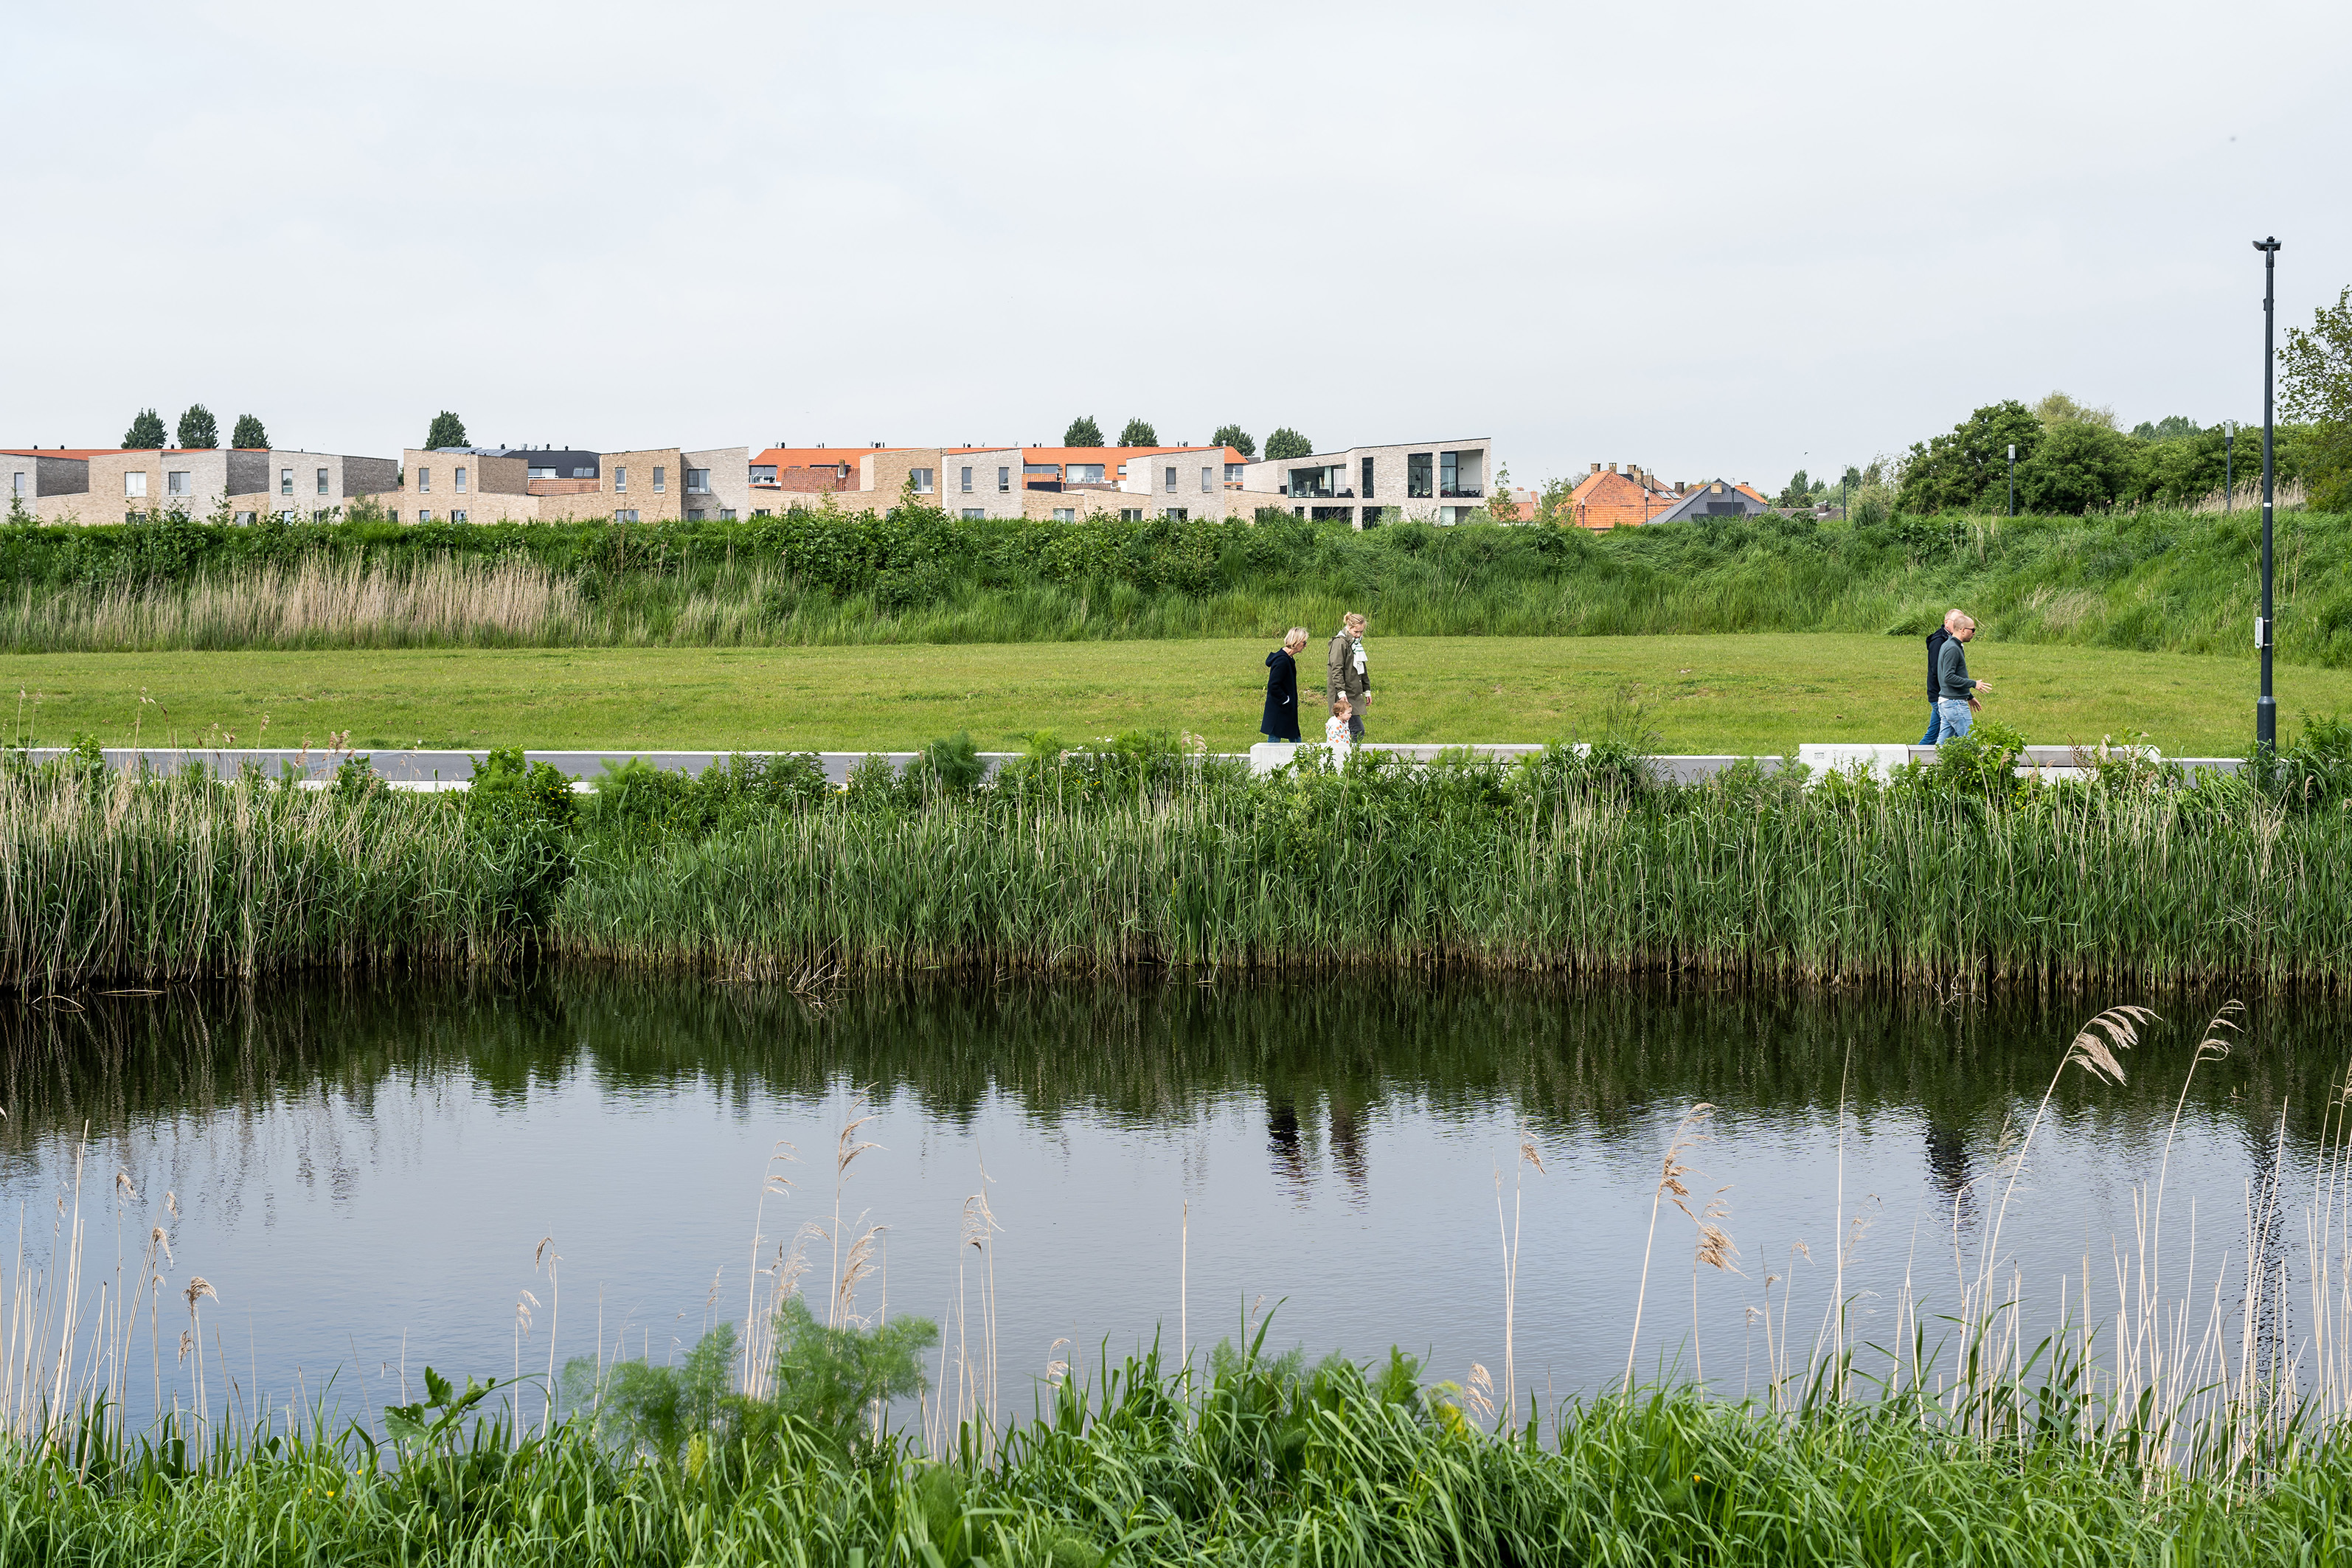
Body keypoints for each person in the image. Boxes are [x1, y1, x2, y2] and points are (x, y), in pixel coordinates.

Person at [1935, 613, 1991, 741]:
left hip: (1948, 702)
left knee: (1943, 746)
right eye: (1973, 630)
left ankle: (1933, 761)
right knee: (1971, 742)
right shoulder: (1952, 648)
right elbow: (1948, 677)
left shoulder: (1950, 645)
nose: (1974, 633)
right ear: (1963, 630)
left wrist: (1969, 696)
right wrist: (1973, 684)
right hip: (1955, 704)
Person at [1327, 612, 1370, 740]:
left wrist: (1366, 690)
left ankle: (1348, 755)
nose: (1359, 635)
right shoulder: (1340, 643)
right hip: (1343, 694)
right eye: (1356, 631)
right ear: (1349, 627)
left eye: (1361, 632)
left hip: (1353, 692)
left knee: (1348, 730)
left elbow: (1362, 668)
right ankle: (1351, 757)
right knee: (1357, 729)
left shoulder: (1356, 644)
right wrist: (1341, 692)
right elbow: (1336, 669)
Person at [1260, 627, 1308, 742]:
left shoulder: (1288, 658)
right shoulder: (1282, 661)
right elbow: (1273, 685)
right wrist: (1285, 700)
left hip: (1285, 709)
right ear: (1296, 642)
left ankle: (1299, 759)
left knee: (1294, 737)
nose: (1305, 646)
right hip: (1280, 709)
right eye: (1304, 642)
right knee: (1275, 740)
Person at [1325, 695, 1355, 761]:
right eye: (1349, 713)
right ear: (1341, 714)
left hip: (1344, 749)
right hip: (1336, 750)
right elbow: (1335, 737)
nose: (1351, 715)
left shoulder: (1344, 723)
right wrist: (1342, 746)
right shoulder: (1335, 724)